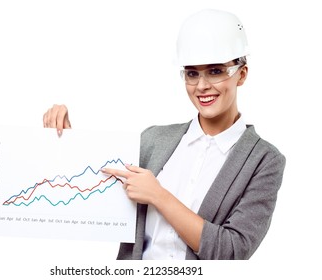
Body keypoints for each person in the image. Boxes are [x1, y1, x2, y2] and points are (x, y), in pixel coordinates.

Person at [42, 9, 286, 260]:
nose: (202, 86)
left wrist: (158, 196)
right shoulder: (154, 140)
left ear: (241, 74)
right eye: (192, 73)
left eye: (215, 71)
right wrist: (66, 141)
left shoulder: (264, 160)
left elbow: (232, 252)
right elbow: (95, 196)